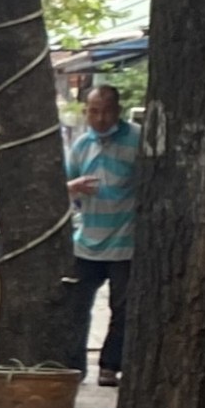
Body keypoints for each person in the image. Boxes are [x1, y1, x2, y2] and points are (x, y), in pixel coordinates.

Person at [65, 84, 139, 385]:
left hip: (126, 242)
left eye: (106, 111)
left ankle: (110, 366)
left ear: (117, 111)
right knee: (75, 306)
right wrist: (74, 187)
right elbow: (63, 187)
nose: (100, 118)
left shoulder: (137, 139)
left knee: (123, 308)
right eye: (94, 111)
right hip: (87, 242)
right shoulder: (82, 145)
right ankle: (74, 368)